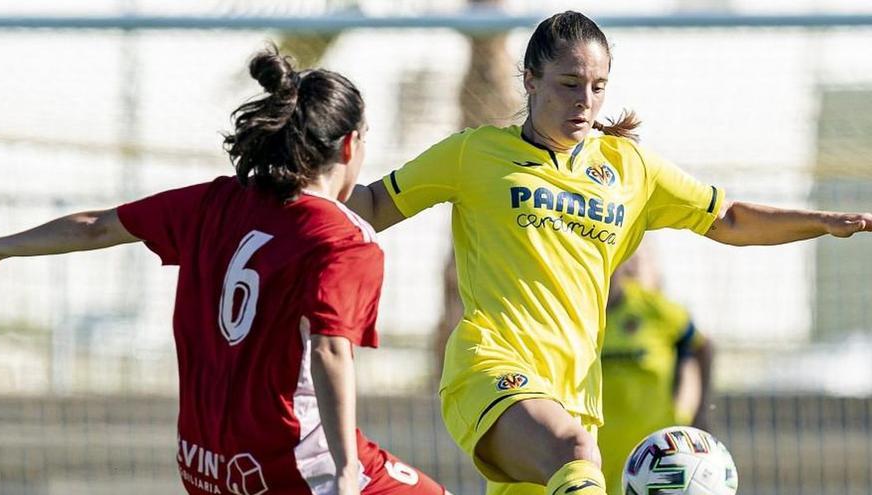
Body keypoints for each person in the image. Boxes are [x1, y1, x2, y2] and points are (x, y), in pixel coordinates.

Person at [344, 10, 872, 495]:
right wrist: (289, 192)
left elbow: (729, 219)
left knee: (575, 454)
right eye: (569, 85)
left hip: (576, 394)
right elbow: (370, 205)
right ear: (530, 80)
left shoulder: (629, 168)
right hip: (490, 367)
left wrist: (823, 223)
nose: (585, 102)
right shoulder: (473, 153)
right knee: (572, 450)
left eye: (598, 88)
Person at [0, 46, 449, 495]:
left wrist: (0, 248)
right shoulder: (343, 238)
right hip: (291, 466)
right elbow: (329, 350)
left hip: (205, 464)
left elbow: (96, 227)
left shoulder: (215, 202)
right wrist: (347, 471)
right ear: (350, 145)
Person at [599, 248, 714, 493]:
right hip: (594, 450)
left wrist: (700, 411)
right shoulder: (572, 316)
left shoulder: (654, 309)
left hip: (656, 452)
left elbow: (702, 346)